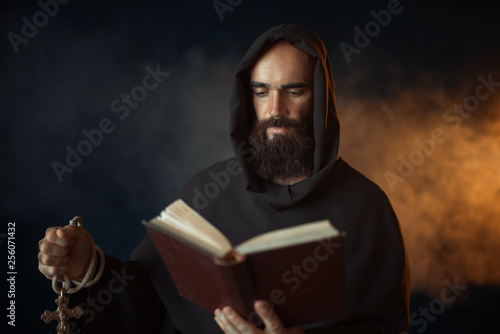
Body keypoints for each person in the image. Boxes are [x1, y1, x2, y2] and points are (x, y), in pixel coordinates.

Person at [38, 24, 410, 333]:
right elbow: (148, 301)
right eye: (261, 92)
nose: (275, 111)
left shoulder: (367, 207)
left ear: (320, 99)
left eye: (294, 91)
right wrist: (88, 267)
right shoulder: (206, 190)